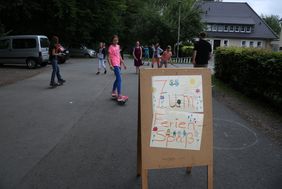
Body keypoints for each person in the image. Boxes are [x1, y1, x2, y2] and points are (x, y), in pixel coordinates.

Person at [107, 35, 128, 102]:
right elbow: (108, 57)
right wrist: (110, 64)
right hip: (114, 64)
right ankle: (119, 95)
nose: (115, 41)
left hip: (118, 64)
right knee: (119, 79)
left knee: (117, 79)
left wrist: (123, 64)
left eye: (116, 40)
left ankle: (113, 91)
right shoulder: (111, 47)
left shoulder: (118, 46)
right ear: (112, 40)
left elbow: (119, 56)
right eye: (114, 40)